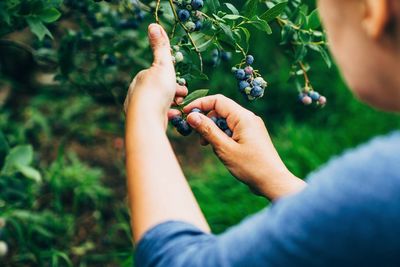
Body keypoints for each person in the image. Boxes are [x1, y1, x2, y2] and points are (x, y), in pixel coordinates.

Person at [124, 0, 400, 266]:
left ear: (374, 10)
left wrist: (145, 112)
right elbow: (358, 236)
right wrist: (276, 179)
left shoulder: (383, 180)